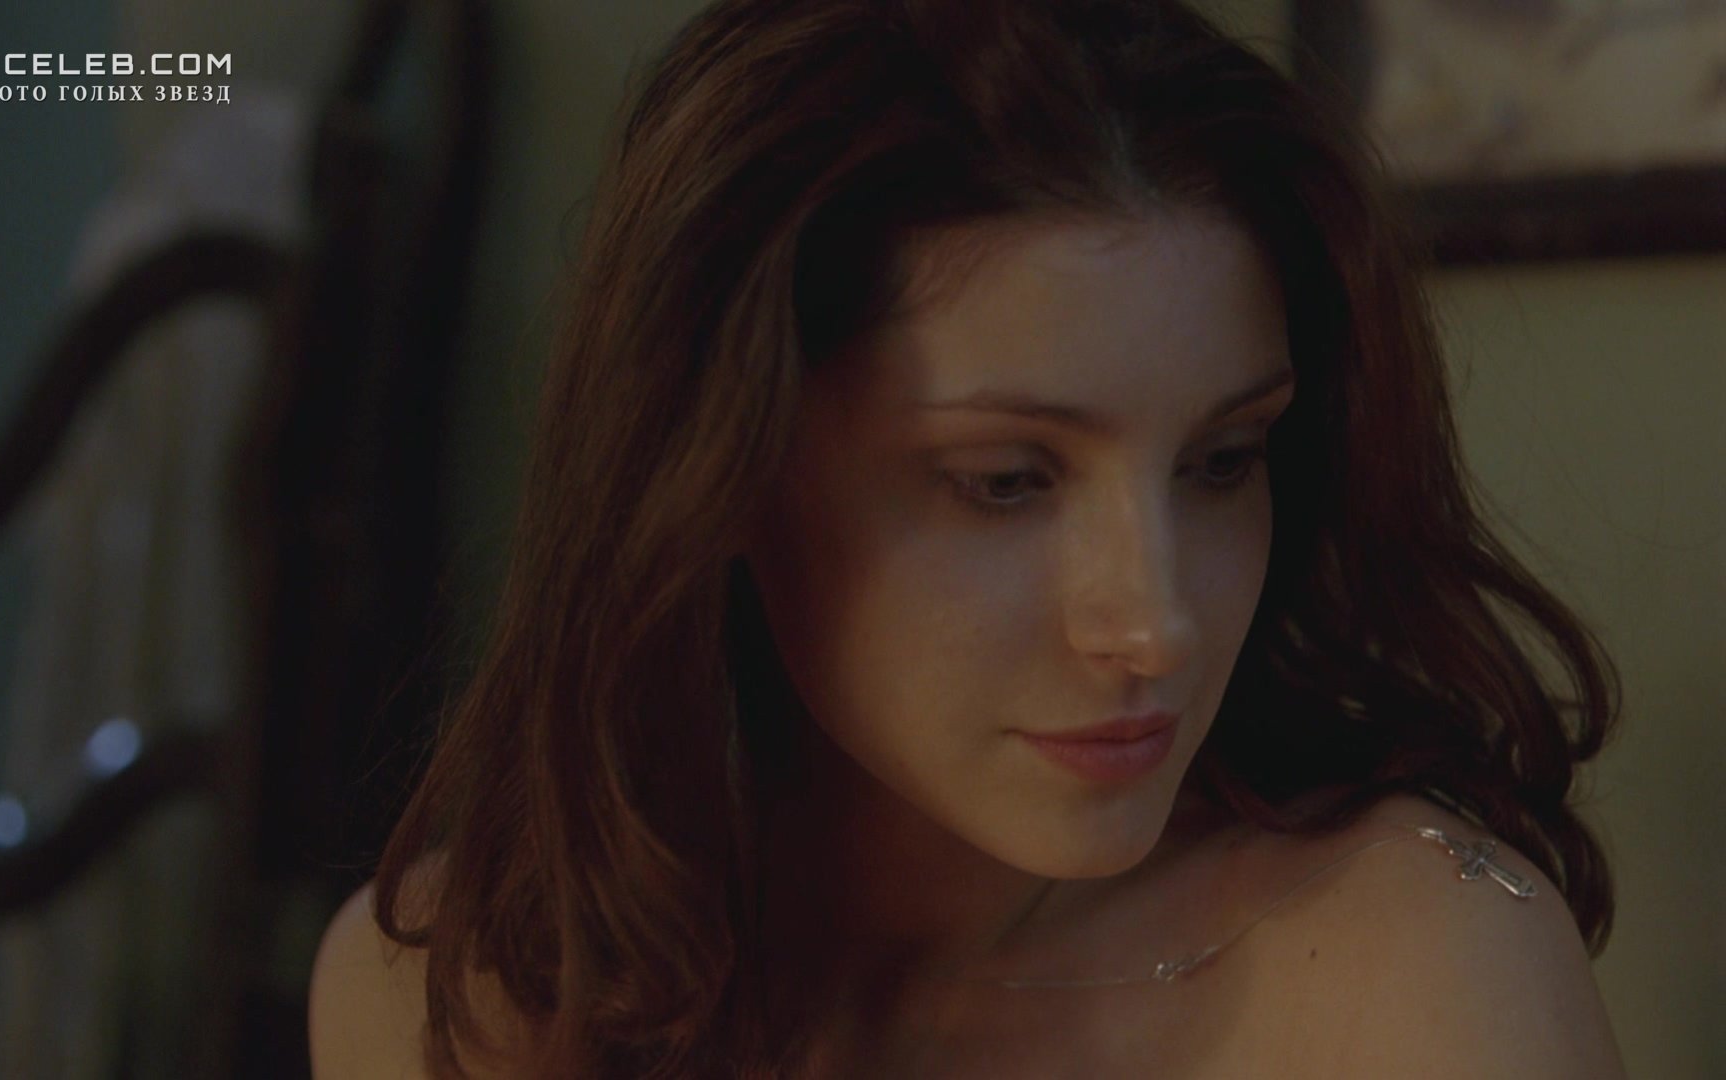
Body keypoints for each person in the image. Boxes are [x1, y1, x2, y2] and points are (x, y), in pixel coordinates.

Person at [308, 0, 1630, 1075]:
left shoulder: (1409, 963)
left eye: (1222, 461)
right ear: (720, 470)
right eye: (1005, 482)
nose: (1153, 624)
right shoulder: (448, 987)